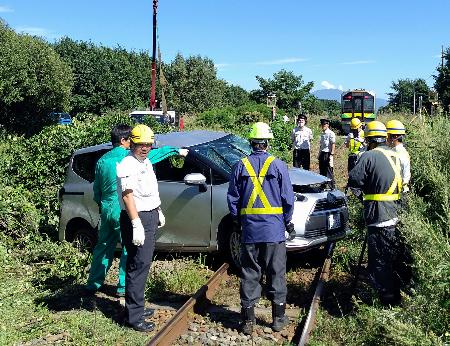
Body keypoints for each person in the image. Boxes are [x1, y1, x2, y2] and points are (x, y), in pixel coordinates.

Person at [86, 125, 186, 298]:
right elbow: (157, 154)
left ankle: (93, 284)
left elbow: (97, 190)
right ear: (125, 141)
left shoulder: (102, 160)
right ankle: (124, 286)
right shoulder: (129, 158)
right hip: (123, 207)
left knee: (103, 246)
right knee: (129, 248)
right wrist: (177, 150)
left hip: (106, 209)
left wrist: (103, 207)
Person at [227, 122, 295, 335]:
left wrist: (238, 220)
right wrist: (288, 221)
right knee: (276, 273)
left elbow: (233, 198)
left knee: (250, 273)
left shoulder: (240, 165)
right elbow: (288, 199)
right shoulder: (278, 165)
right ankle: (278, 319)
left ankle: (248, 322)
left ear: (251, 142)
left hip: (250, 231)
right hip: (274, 231)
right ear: (267, 143)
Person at [348, 121, 410, 306]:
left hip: (379, 217)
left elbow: (354, 180)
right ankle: (397, 295)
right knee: (393, 257)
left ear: (368, 139)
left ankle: (387, 301)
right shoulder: (397, 157)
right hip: (397, 214)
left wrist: (362, 196)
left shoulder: (369, 156)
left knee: (380, 261)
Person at [117, 124, 167, 332]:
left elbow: (149, 192)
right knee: (139, 265)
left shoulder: (144, 162)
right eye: (141, 145)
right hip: (137, 218)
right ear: (132, 143)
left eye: (148, 144)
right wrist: (136, 223)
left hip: (149, 214)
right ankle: (134, 317)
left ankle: (135, 308)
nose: (145, 148)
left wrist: (158, 210)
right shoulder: (128, 164)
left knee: (141, 264)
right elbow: (128, 196)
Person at [386, 120, 411, 193]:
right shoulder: (400, 151)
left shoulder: (398, 154)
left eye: (387, 136)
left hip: (398, 192)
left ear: (395, 137)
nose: (386, 139)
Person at [318, 118, 336, 188]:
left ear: (328, 125)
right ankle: (323, 185)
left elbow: (333, 144)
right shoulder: (322, 134)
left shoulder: (331, 133)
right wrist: (319, 154)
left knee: (329, 171)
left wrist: (331, 154)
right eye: (322, 124)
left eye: (324, 124)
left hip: (328, 153)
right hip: (322, 153)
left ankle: (332, 187)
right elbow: (321, 145)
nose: (323, 126)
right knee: (322, 170)